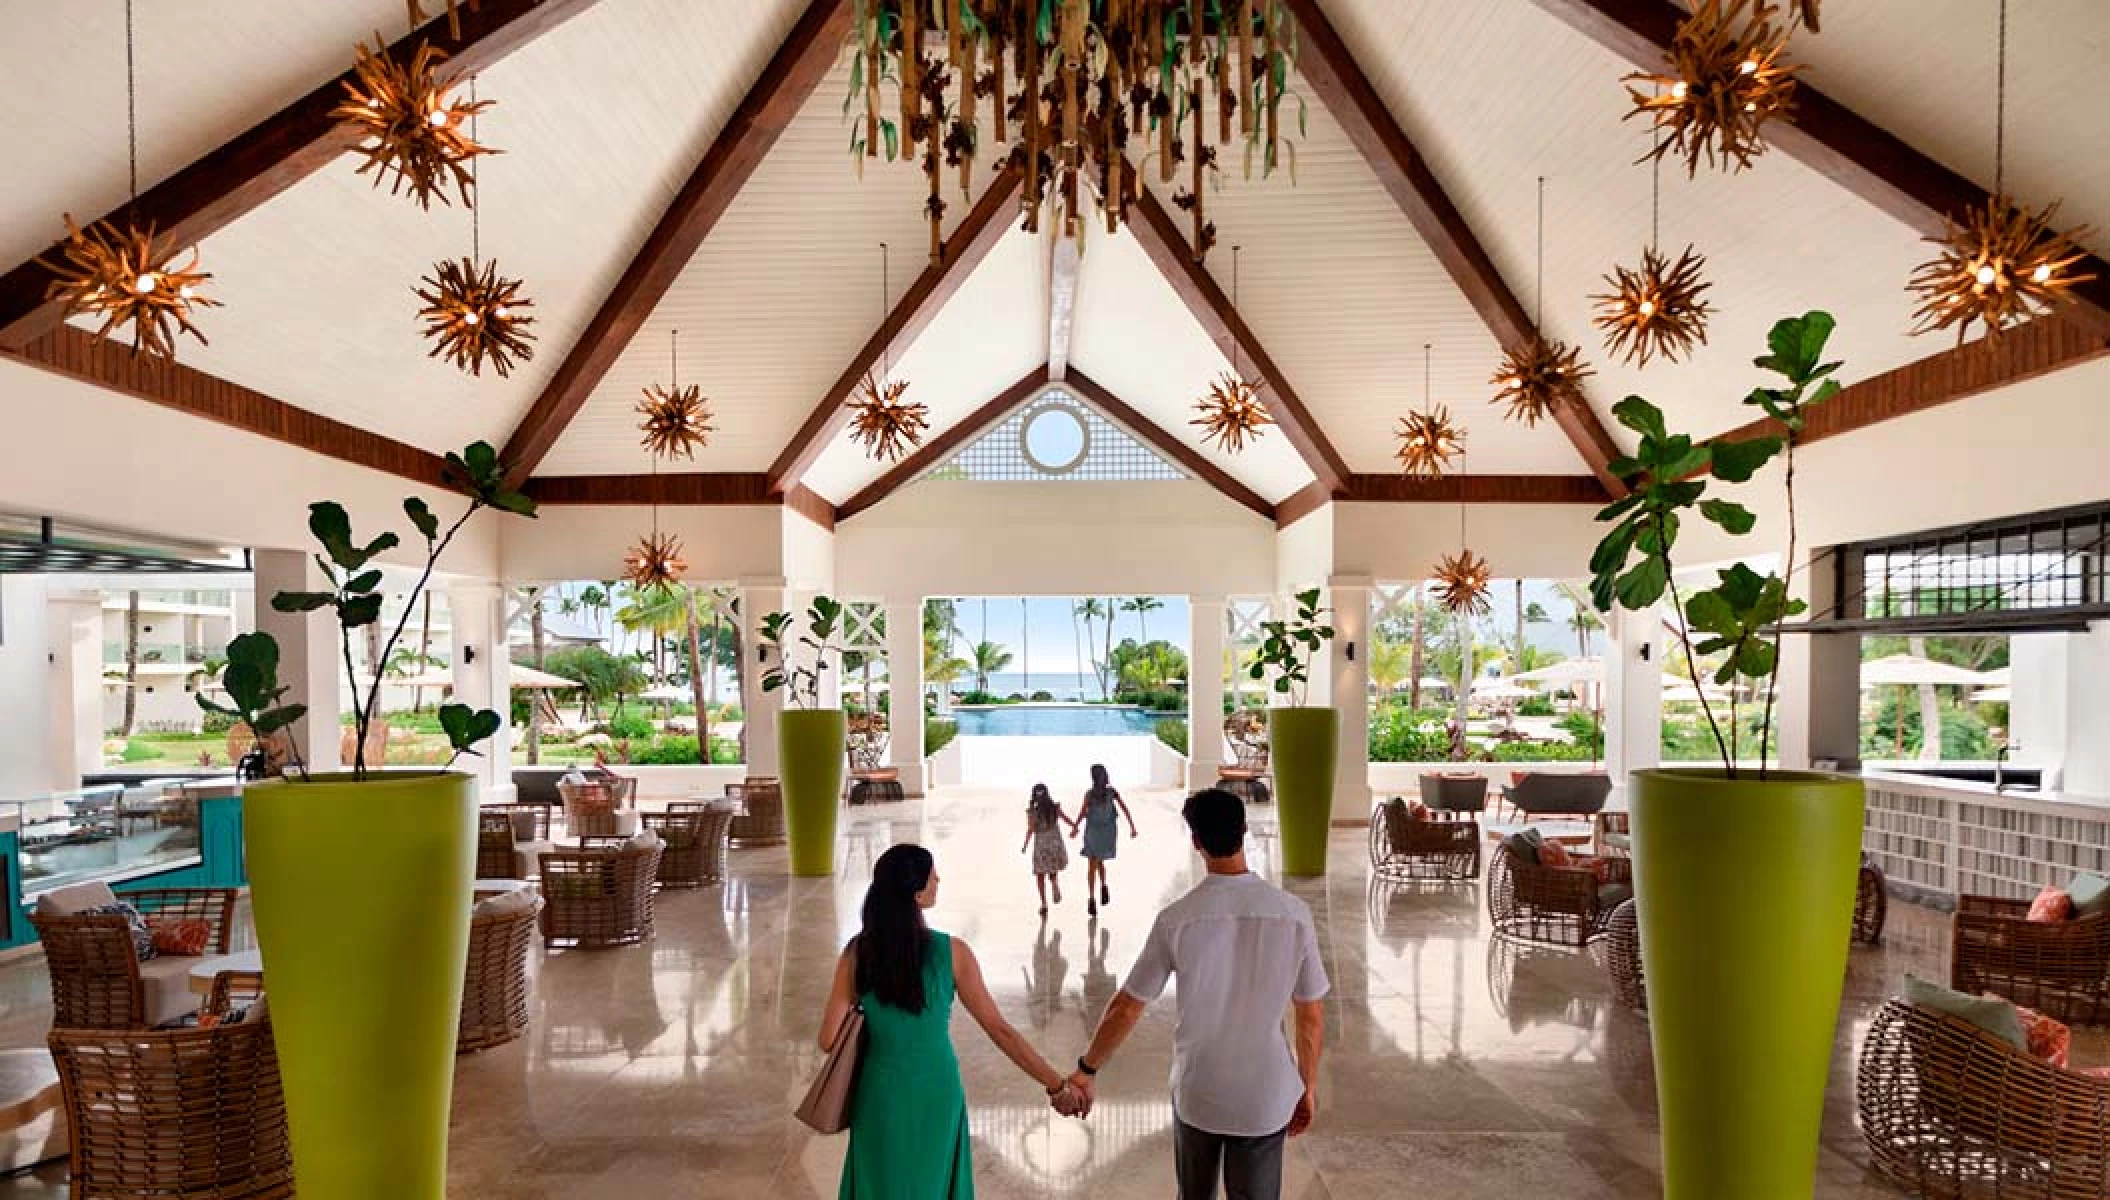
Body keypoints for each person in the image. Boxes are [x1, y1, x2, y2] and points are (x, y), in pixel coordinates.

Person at [1065, 789, 1328, 1200]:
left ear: (1196, 841)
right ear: (1244, 831)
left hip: (1199, 1088)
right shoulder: (1293, 914)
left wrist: (1087, 1069)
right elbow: (1310, 1016)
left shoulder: (1177, 919)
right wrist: (1307, 1086)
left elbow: (1128, 1006)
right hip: (1265, 1092)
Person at [820, 845, 1085, 1198]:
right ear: (916, 894)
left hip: (879, 1093)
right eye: (932, 876)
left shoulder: (858, 953)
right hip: (937, 1090)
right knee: (934, 1182)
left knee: (879, 1182)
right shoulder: (953, 953)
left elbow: (828, 1039)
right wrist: (1056, 1085)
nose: (938, 880)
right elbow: (1000, 1030)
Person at [1074, 763, 1139, 917]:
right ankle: (1103, 886)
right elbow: (1124, 808)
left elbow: (1082, 812)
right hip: (1108, 832)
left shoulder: (1089, 794)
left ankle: (1091, 898)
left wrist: (1075, 827)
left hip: (1093, 832)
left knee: (1092, 864)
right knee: (1099, 861)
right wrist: (1132, 826)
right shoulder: (1112, 792)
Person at [1021, 783, 1076, 916]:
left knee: (1040, 875)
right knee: (1052, 869)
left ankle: (1044, 904)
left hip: (1041, 845)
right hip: (1054, 843)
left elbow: (1031, 830)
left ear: (1034, 795)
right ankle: (1054, 882)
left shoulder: (1032, 812)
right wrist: (1074, 825)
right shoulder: (1054, 808)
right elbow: (1065, 818)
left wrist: (1025, 845)